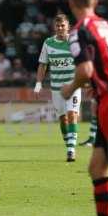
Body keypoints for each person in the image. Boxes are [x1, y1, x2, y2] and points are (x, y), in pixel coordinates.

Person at [61, 0, 108, 216]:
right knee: (97, 167)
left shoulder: (79, 30)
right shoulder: (107, 27)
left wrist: (70, 87)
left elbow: (86, 70)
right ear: (95, 2)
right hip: (106, 98)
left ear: (72, 4)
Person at [34, 13, 80, 162]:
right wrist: (39, 83)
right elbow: (43, 64)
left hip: (73, 86)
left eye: (63, 26)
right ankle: (69, 144)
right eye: (58, 26)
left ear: (68, 27)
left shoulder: (74, 42)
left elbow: (83, 61)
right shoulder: (48, 43)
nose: (60, 28)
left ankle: (71, 150)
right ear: (55, 27)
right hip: (56, 88)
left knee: (72, 113)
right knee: (62, 118)